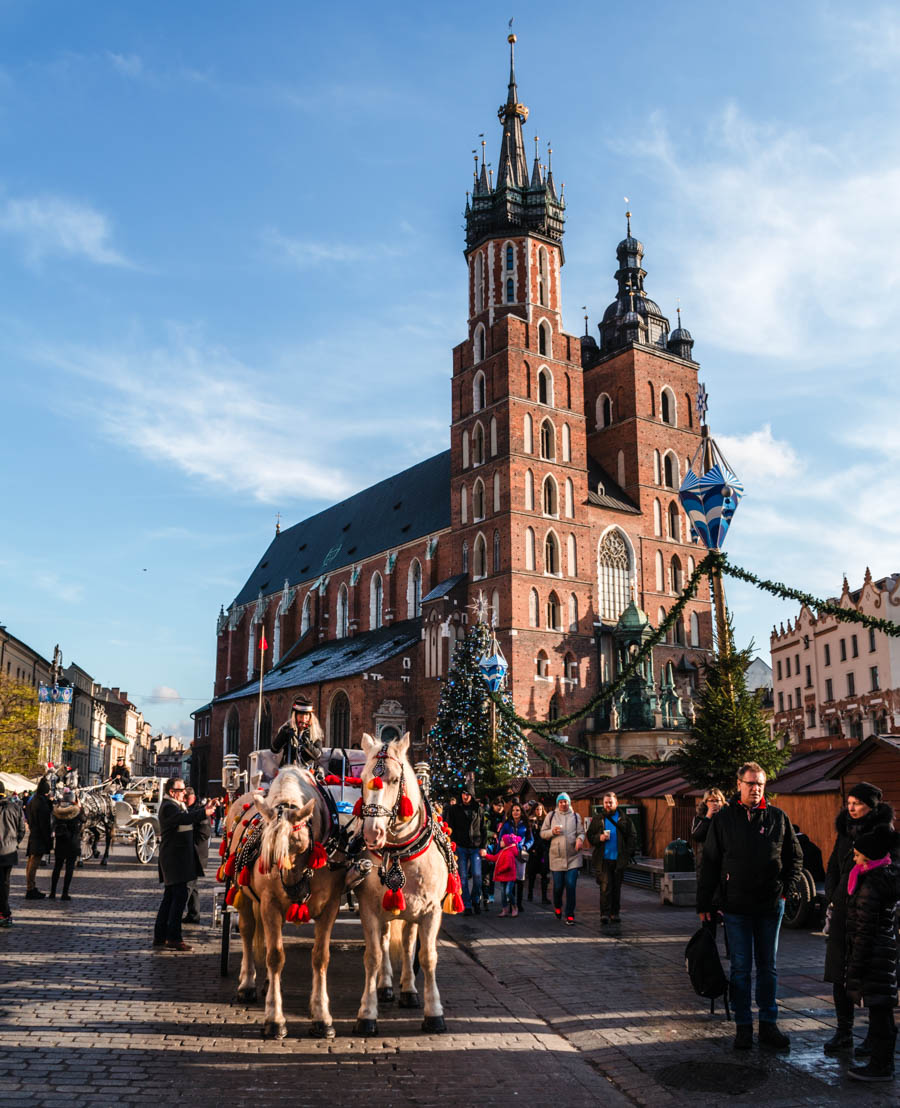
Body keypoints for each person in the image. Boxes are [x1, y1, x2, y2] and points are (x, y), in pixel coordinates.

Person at [697, 762, 803, 1051]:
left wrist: (785, 890)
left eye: (760, 784)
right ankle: (743, 1027)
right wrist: (704, 902)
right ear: (739, 785)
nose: (755, 789)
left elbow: (795, 858)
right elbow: (710, 862)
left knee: (768, 967)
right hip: (736, 907)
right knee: (741, 969)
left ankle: (769, 1025)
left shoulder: (777, 817)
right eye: (750, 783)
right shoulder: (724, 819)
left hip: (770, 905)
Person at [823, 781, 895, 1057]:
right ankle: (844, 1031)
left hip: (867, 913)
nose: (851, 808)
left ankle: (873, 1037)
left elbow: (889, 872)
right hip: (841, 911)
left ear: (871, 805)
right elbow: (832, 865)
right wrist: (832, 893)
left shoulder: (882, 833)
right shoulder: (845, 830)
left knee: (868, 975)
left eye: (857, 803)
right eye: (849, 802)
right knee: (839, 973)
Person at [843, 824, 900, 1083]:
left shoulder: (871, 886)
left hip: (874, 954)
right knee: (882, 1010)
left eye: (857, 855)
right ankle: (881, 1062)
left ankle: (881, 1065)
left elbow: (865, 931)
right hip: (883, 951)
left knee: (880, 1011)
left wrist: (855, 964)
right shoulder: (882, 878)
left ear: (869, 858)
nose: (854, 858)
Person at [153, 778, 203, 951]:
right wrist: (205, 813)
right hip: (175, 860)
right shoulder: (169, 807)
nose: (185, 793)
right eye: (182, 790)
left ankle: (160, 936)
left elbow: (186, 817)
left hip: (178, 858)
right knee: (178, 898)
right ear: (173, 792)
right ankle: (173, 937)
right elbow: (183, 819)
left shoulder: (174, 805)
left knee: (169, 898)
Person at [587, 791, 637, 925]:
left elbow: (632, 836)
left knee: (616, 887)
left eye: (610, 802)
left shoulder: (624, 819)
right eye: (606, 802)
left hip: (619, 859)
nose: (608, 805)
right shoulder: (598, 819)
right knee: (605, 887)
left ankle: (615, 913)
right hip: (603, 859)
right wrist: (599, 838)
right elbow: (590, 836)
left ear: (616, 803)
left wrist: (627, 853)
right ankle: (605, 914)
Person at [541, 793, 584, 926]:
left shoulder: (576, 816)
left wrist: (580, 839)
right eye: (561, 802)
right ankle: (557, 906)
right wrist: (552, 832)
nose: (563, 804)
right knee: (558, 886)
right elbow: (543, 833)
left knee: (571, 885)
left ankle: (570, 914)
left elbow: (581, 832)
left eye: (565, 801)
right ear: (557, 804)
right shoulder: (551, 816)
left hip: (573, 857)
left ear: (569, 803)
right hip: (556, 857)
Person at [445, 787, 485, 914]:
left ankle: (476, 900)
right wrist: (452, 844)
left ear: (472, 796)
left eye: (468, 794)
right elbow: (450, 826)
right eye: (463, 794)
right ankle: (467, 904)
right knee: (462, 877)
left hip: (475, 846)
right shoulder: (454, 809)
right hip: (461, 847)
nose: (465, 796)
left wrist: (483, 846)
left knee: (477, 876)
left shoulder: (478, 809)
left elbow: (483, 828)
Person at [182, 787, 213, 925]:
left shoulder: (201, 810)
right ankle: (194, 914)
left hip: (196, 853)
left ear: (192, 797)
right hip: (190, 853)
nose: (184, 800)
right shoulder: (189, 809)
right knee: (193, 887)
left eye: (186, 798)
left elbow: (204, 833)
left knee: (188, 885)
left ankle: (179, 912)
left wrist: (188, 836)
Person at [271, 696, 323, 772]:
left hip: (306, 771)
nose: (303, 720)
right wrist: (283, 735)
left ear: (310, 717)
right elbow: (274, 749)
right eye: (301, 716)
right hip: (287, 770)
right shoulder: (287, 729)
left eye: (306, 716)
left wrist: (308, 743)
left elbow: (318, 756)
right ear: (295, 717)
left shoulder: (314, 732)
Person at [49, 788, 84, 901]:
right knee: (69, 869)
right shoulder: (76, 811)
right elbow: (84, 819)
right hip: (72, 843)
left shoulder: (57, 811)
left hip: (60, 842)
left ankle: (52, 892)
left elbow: (52, 823)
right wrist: (80, 807)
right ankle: (65, 893)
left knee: (57, 868)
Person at [0, 781, 26, 927]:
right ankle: (4, 911)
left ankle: (4, 911)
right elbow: (22, 829)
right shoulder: (15, 808)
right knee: (5, 882)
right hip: (9, 851)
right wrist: (15, 843)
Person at [498, 802, 532, 912]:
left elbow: (531, 839)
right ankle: (512, 904)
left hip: (521, 854)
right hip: (509, 854)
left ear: (521, 812)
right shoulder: (507, 824)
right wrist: (502, 848)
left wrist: (526, 846)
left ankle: (519, 903)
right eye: (513, 810)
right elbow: (500, 839)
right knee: (510, 878)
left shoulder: (526, 824)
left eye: (517, 810)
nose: (515, 812)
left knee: (520, 879)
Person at [24, 777, 53, 900]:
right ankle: (30, 889)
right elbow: (45, 824)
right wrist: (48, 840)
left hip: (33, 834)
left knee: (31, 863)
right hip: (39, 837)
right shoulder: (41, 804)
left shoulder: (32, 801)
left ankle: (31, 887)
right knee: (34, 864)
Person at [486, 833, 522, 917]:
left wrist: (499, 871)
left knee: (508, 892)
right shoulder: (503, 851)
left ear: (506, 842)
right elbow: (495, 858)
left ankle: (514, 907)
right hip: (503, 877)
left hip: (509, 876)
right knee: (503, 894)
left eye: (502, 840)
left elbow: (508, 866)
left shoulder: (509, 852)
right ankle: (505, 909)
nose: (500, 842)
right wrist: (486, 856)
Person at [691, 788, 725, 876]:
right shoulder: (700, 817)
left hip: (723, 860)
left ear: (722, 802)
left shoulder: (727, 815)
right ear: (706, 802)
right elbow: (696, 836)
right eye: (711, 801)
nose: (715, 803)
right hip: (705, 860)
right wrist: (708, 817)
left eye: (717, 800)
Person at [526, 802, 550, 904]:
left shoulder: (546, 822)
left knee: (544, 875)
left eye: (540, 809)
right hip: (533, 852)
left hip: (543, 851)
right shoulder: (530, 821)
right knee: (532, 875)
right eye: (537, 810)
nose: (539, 812)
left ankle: (544, 897)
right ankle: (530, 894)